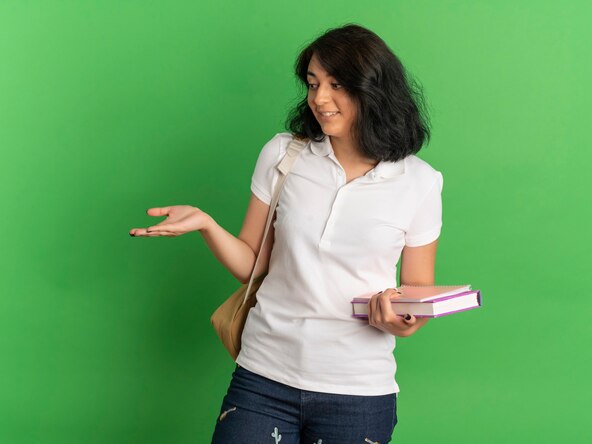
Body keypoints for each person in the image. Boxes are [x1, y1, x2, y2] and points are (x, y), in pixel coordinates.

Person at [129, 23, 443, 443]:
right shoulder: (283, 154)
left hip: (357, 391)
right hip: (262, 377)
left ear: (374, 90)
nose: (320, 99)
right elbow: (250, 263)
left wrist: (401, 321)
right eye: (313, 84)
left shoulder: (418, 182)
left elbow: (418, 293)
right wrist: (206, 224)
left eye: (336, 85)